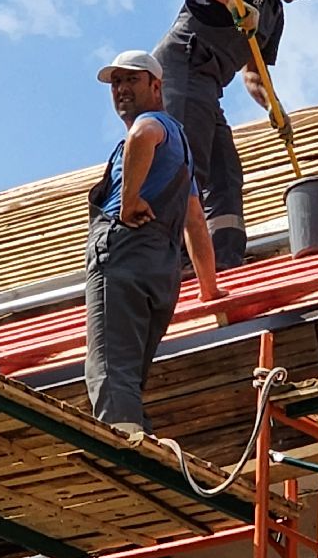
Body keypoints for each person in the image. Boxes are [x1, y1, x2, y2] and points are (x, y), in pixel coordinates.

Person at [153, 0, 318, 270]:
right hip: (182, 66)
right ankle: (175, 257)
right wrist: (231, 2)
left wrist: (273, 105)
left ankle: (223, 261)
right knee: (187, 162)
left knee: (226, 174)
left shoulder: (275, 15)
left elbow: (254, 73)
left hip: (209, 87)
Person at [84, 50, 223, 437]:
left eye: (132, 80)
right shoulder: (181, 153)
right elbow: (195, 221)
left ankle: (122, 444)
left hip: (125, 252)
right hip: (162, 269)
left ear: (156, 86)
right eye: (116, 83)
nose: (122, 89)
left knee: (111, 367)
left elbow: (142, 136)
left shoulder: (150, 125)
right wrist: (208, 287)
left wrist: (128, 202)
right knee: (131, 370)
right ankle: (137, 432)